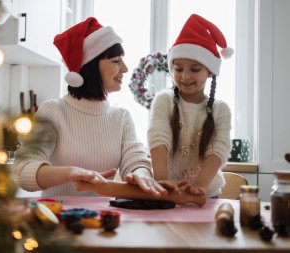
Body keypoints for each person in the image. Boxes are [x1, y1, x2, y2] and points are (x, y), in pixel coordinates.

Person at [14, 17, 180, 197]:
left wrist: (141, 175)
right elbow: (24, 168)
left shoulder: (121, 117)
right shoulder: (53, 111)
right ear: (91, 66)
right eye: (116, 61)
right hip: (58, 220)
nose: (125, 68)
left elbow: (136, 160)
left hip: (106, 221)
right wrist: (70, 173)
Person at [148, 14, 233, 198]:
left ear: (210, 71)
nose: (185, 77)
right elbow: (158, 138)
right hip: (167, 192)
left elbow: (218, 149)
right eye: (178, 69)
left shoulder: (221, 110)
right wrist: (162, 180)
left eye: (195, 69)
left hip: (205, 195)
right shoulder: (164, 101)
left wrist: (199, 187)